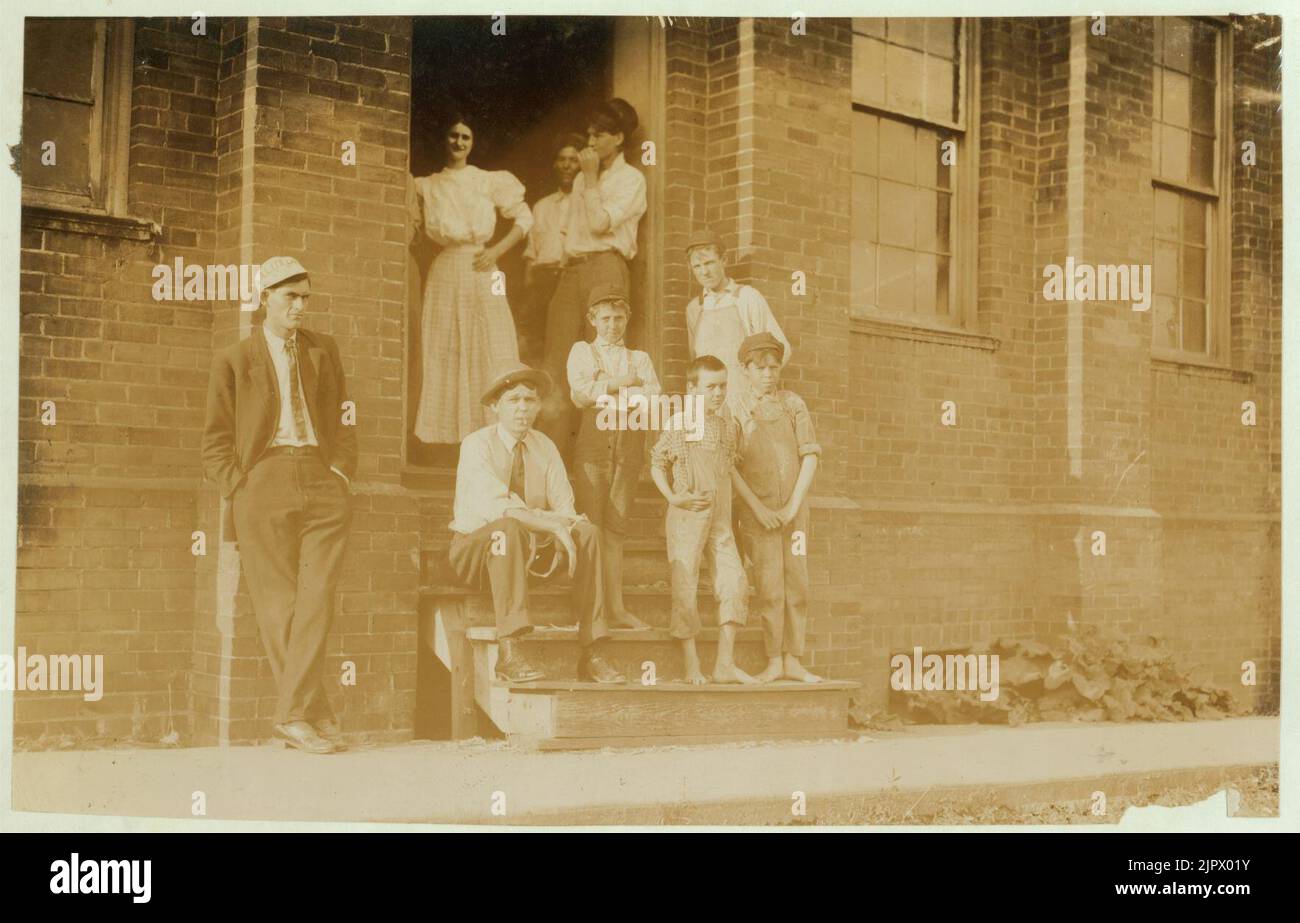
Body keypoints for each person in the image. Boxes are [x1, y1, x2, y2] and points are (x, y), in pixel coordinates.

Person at [201, 256, 358, 754]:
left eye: (305, 297)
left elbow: (346, 417)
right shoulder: (235, 358)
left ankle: (296, 714)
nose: (300, 306)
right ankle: (307, 713)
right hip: (262, 482)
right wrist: (239, 486)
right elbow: (215, 440)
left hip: (321, 479)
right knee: (279, 606)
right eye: (290, 296)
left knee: (318, 600)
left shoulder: (322, 350)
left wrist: (341, 472)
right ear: (264, 298)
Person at [447, 366, 626, 685]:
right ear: (495, 407)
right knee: (507, 527)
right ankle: (510, 651)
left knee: (587, 533)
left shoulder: (544, 446)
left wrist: (566, 525)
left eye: (530, 400)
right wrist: (551, 524)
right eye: (513, 400)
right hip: (476, 553)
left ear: (539, 406)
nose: (522, 408)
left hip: (529, 555)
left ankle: (593, 651)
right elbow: (495, 506)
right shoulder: (476, 445)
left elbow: (564, 507)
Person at [410, 113, 533, 443]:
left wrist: (496, 251)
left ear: (473, 143)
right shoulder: (427, 184)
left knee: (490, 340)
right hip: (446, 267)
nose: (459, 142)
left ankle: (489, 431)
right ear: (443, 140)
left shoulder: (487, 180)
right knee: (445, 346)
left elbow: (524, 218)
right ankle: (445, 436)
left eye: (465, 136)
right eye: (453, 135)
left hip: (483, 267)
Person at [539, 98, 647, 457]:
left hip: (606, 268)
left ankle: (598, 465)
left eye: (597, 135)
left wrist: (587, 180)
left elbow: (601, 224)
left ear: (617, 138)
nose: (590, 141)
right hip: (572, 272)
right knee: (557, 364)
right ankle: (549, 466)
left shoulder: (630, 179)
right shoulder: (587, 178)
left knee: (605, 363)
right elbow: (567, 235)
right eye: (588, 133)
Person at [650, 356, 754, 685]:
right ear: (691, 388)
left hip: (720, 516)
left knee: (734, 580)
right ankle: (691, 664)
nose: (718, 393)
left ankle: (725, 663)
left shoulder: (727, 425)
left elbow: (727, 468)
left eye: (723, 386)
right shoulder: (680, 422)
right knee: (686, 586)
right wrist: (673, 497)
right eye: (710, 387)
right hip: (688, 514)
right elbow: (657, 464)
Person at [567, 283, 661, 630]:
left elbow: (652, 399)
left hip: (629, 449)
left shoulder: (641, 359)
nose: (612, 325)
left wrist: (606, 384)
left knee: (616, 529)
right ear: (593, 320)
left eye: (618, 318)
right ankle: (590, 609)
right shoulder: (582, 351)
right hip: (594, 449)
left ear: (627, 319)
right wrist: (625, 382)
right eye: (605, 318)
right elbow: (580, 394)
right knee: (590, 526)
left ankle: (616, 608)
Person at [731, 332, 823, 684]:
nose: (769, 373)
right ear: (745, 369)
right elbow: (731, 467)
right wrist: (758, 509)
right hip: (759, 516)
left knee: (797, 582)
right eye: (760, 367)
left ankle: (794, 659)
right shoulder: (737, 408)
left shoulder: (793, 404)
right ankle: (773, 660)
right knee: (769, 585)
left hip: (794, 513)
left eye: (773, 367)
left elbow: (810, 455)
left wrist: (792, 507)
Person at [684, 229, 792, 412]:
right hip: (709, 407)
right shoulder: (694, 308)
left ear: (724, 260)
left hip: (745, 404)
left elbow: (782, 349)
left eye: (709, 263)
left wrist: (759, 393)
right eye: (697, 266)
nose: (704, 272)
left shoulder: (747, 298)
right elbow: (695, 362)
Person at [522, 132, 585, 356]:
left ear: (581, 165)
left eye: (573, 159)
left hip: (570, 276)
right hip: (542, 279)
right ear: (554, 164)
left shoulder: (587, 203)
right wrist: (530, 289)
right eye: (562, 159)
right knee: (536, 341)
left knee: (567, 342)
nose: (567, 165)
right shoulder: (541, 206)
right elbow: (532, 251)